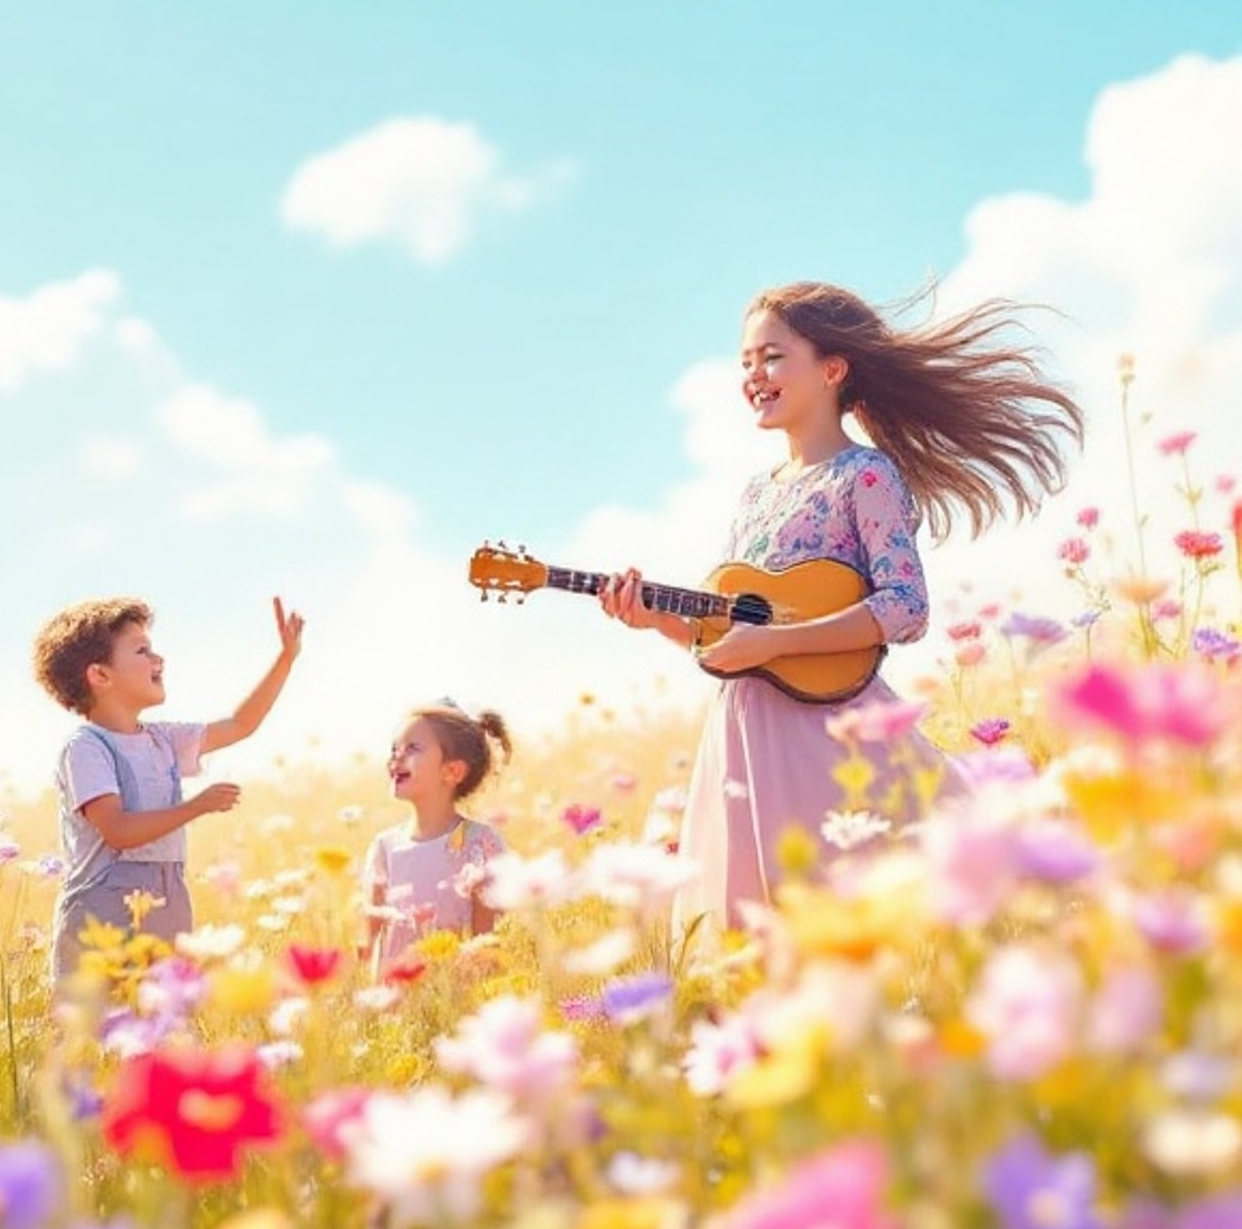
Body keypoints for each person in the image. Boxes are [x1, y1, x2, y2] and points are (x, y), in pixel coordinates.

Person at [600, 282, 1083, 929]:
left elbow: (905, 606)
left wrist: (776, 644)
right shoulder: (755, 494)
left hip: (831, 731)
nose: (753, 375)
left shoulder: (866, 475)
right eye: (745, 362)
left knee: (852, 916)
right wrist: (655, 618)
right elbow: (728, 634)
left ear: (832, 368)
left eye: (771, 357)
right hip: (743, 732)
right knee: (757, 938)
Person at [33, 593, 304, 985]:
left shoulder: (163, 739)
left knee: (165, 1023)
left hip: (167, 900)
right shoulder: (87, 748)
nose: (159, 660)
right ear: (100, 675)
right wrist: (195, 807)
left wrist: (286, 659)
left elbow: (240, 724)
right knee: (99, 1029)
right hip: (102, 912)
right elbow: (118, 830)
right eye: (142, 650)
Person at [362, 703, 511, 975]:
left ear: (452, 772)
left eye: (413, 748)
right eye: (394, 749)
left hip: (455, 1001)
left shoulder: (479, 843)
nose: (396, 757)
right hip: (397, 1006)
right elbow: (373, 946)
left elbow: (488, 942)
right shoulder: (385, 847)